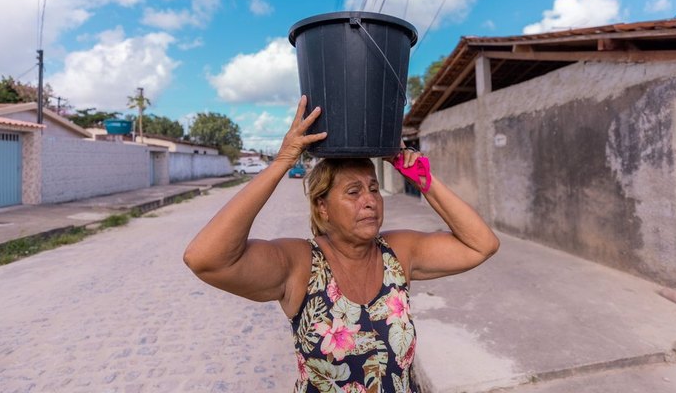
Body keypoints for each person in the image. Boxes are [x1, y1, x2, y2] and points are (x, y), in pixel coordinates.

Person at [183, 96, 500, 392]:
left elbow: (481, 245)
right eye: (353, 192)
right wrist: (282, 162)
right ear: (322, 207)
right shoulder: (302, 264)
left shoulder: (397, 252)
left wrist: (420, 177)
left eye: (373, 189)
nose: (370, 201)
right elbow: (205, 258)